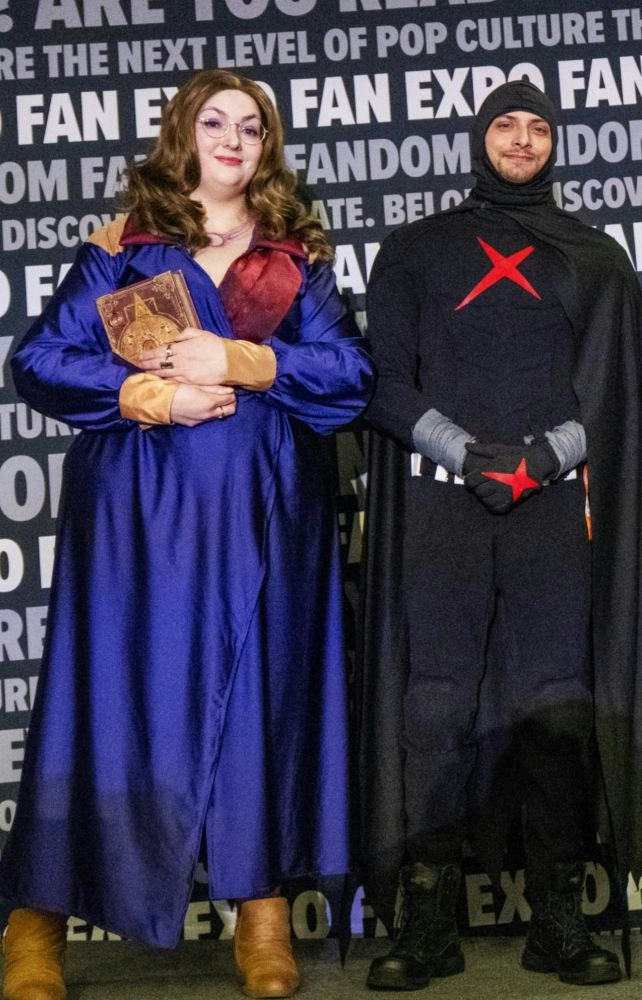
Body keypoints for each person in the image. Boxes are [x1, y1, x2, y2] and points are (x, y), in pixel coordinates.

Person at [0, 68, 372, 1000]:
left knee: (257, 705)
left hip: (266, 518)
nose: (234, 140)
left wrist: (245, 359)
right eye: (215, 122)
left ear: (268, 146)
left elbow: (350, 377)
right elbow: (39, 361)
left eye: (252, 127)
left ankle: (261, 913)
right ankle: (34, 923)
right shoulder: (125, 248)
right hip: (138, 520)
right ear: (183, 134)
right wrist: (149, 393)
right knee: (106, 705)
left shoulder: (293, 257)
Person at [357, 81, 642, 991]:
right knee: (435, 706)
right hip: (443, 510)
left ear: (556, 142)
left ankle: (560, 922)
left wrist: (541, 460)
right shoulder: (417, 250)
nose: (523, 139)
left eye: (539, 127)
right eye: (507, 124)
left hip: (551, 508)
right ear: (478, 138)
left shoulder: (598, 260)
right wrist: (466, 457)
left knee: (559, 707)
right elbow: (380, 380)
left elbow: (616, 393)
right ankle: (426, 925)